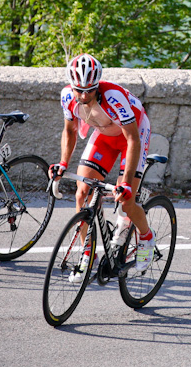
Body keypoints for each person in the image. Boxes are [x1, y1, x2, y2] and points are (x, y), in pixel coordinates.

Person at [48, 54, 154, 282]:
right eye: (79, 90)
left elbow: (133, 139)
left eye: (90, 90)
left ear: (98, 85)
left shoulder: (113, 97)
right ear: (71, 86)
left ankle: (146, 237)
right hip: (105, 136)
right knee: (82, 193)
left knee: (127, 200)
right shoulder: (67, 96)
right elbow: (70, 131)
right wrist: (63, 163)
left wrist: (125, 183)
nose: (84, 96)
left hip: (132, 137)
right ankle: (89, 254)